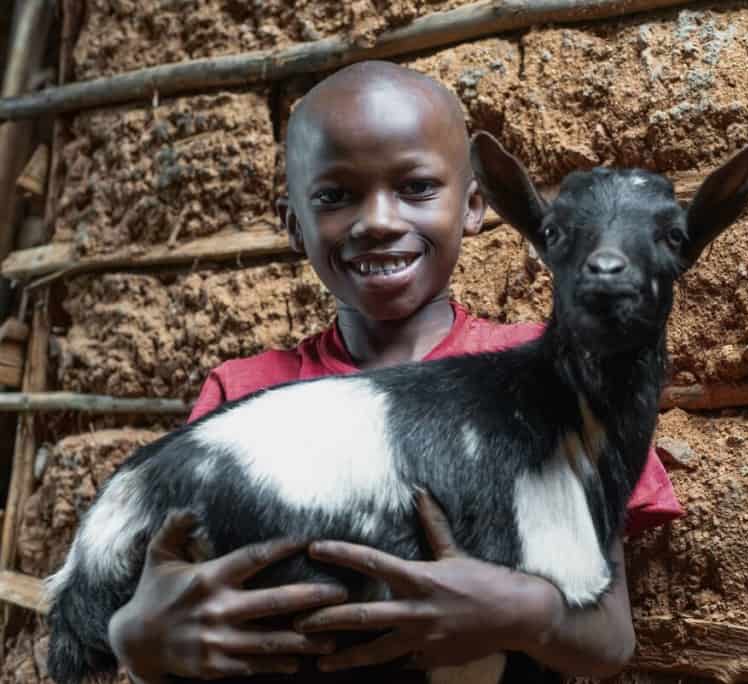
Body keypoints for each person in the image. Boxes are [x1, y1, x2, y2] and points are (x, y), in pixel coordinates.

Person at [106, 60, 683, 683]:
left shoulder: (560, 386)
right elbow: (172, 600)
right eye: (335, 196)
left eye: (415, 188)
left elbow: (608, 639)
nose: (378, 220)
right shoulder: (245, 401)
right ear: (294, 225)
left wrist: (521, 612)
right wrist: (137, 642)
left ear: (474, 208)